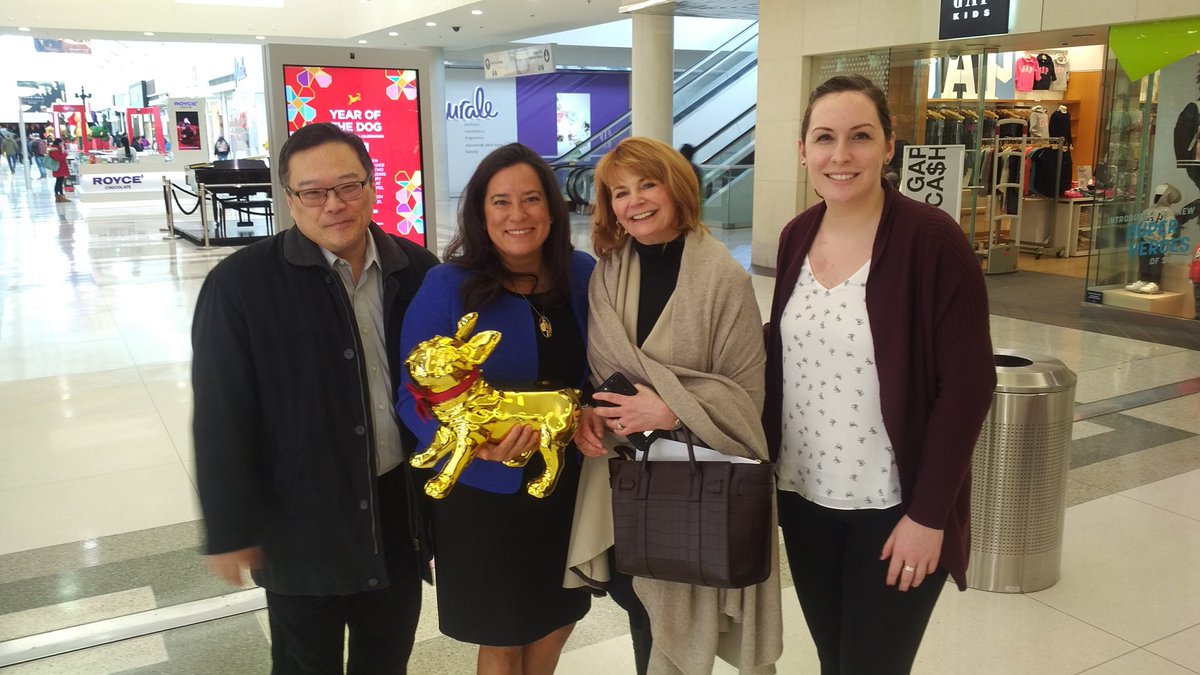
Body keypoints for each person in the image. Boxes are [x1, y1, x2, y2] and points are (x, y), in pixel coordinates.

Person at [764, 75, 996, 675]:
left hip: (894, 507)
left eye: (860, 136)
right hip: (805, 498)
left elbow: (968, 386)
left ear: (889, 146)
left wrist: (929, 515)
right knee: (834, 660)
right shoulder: (796, 236)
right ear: (803, 150)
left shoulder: (932, 240)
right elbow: (781, 357)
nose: (840, 155)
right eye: (824, 138)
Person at [191, 122, 438, 673]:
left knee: (387, 659)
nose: (334, 205)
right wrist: (230, 527)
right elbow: (220, 415)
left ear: (372, 185)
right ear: (289, 198)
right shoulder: (240, 286)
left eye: (348, 186)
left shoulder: (418, 271)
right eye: (313, 192)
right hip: (300, 523)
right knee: (306, 664)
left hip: (397, 515)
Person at [571, 136, 783, 674]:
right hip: (624, 482)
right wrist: (597, 412)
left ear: (677, 188)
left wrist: (670, 410)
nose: (634, 201)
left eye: (648, 185)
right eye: (620, 192)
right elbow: (602, 375)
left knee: (669, 615)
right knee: (638, 607)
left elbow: (747, 396)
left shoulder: (722, 278)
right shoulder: (607, 273)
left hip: (694, 486)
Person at [396, 143, 595, 675]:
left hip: (564, 481)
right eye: (501, 202)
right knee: (504, 636)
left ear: (552, 207)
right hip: (483, 493)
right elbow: (412, 395)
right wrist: (479, 447)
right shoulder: (449, 286)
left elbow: (603, 368)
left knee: (558, 619)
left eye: (531, 199)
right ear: (481, 214)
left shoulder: (581, 275)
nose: (517, 214)